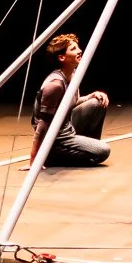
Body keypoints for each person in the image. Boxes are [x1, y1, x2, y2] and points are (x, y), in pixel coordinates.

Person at [30, 33, 110, 167]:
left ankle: (84, 147)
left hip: (67, 126)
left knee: (97, 103)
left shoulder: (73, 74)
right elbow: (42, 125)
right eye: (73, 49)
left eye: (78, 47)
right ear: (62, 57)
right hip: (56, 138)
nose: (79, 51)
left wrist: (91, 96)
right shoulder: (54, 85)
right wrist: (35, 159)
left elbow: (72, 103)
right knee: (103, 150)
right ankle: (52, 154)